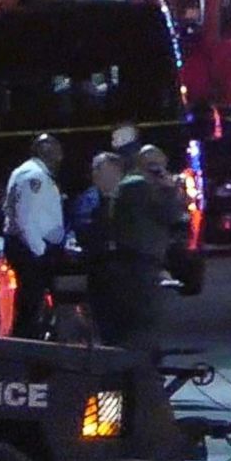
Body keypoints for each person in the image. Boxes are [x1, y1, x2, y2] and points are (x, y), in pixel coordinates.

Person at [109, 145, 185, 348]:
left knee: (143, 323)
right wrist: (169, 189)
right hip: (139, 263)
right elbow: (172, 215)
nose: (160, 170)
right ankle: (142, 371)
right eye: (156, 166)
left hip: (142, 261)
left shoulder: (136, 185)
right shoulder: (137, 186)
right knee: (144, 324)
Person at [3, 135, 65, 340]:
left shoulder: (32, 173)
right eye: (55, 150)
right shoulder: (33, 176)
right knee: (30, 306)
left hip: (31, 248)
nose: (60, 156)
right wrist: (40, 251)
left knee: (32, 304)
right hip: (30, 251)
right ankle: (26, 347)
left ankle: (30, 342)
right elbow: (25, 218)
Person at [71, 152, 124, 344]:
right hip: (101, 269)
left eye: (116, 172)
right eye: (108, 172)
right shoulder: (88, 202)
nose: (114, 177)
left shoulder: (125, 198)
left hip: (125, 270)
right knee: (105, 320)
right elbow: (84, 232)